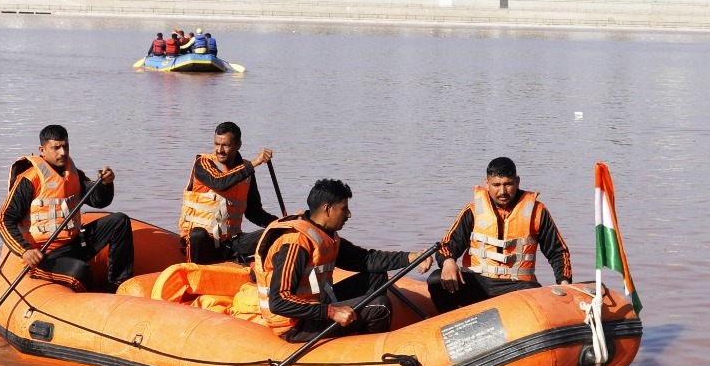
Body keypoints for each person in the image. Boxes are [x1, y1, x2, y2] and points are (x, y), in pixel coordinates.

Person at [251, 178, 433, 342]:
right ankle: (370, 351)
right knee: (380, 306)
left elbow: (366, 259)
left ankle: (359, 329)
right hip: (295, 323)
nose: (349, 215)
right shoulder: (295, 243)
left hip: (317, 304)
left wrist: (412, 257)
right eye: (344, 209)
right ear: (327, 209)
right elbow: (279, 302)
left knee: (377, 277)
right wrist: (331, 311)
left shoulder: (324, 235)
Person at [0, 124, 135, 293]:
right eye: (56, 148)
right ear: (42, 150)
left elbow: (99, 201)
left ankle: (117, 285)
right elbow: (3, 220)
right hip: (44, 255)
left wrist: (106, 183)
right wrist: (25, 251)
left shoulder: (74, 173)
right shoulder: (29, 179)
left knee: (119, 221)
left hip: (75, 243)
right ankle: (91, 300)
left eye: (65, 146)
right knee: (80, 271)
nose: (63, 152)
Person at [426, 157, 572, 314]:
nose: (502, 191)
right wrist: (448, 262)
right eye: (496, 185)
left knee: (536, 298)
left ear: (517, 181)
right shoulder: (472, 211)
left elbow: (558, 251)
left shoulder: (537, 211)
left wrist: (564, 283)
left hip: (517, 286)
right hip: (478, 283)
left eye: (508, 184)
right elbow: (446, 246)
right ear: (487, 183)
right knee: (435, 281)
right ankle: (453, 322)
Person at [178, 121, 276, 265]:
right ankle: (194, 271)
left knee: (275, 233)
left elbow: (254, 213)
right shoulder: (203, 163)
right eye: (217, 144)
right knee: (198, 234)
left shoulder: (246, 173)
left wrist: (280, 223)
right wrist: (254, 163)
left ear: (238, 145)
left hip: (231, 242)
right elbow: (220, 182)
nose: (220, 150)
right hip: (204, 243)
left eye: (225, 145)